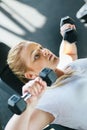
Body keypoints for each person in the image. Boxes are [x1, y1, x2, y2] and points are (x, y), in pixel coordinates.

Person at [5, 21, 86, 130]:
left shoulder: (65, 65)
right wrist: (29, 105)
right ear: (30, 75)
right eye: (37, 56)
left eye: (41, 47)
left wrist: (66, 32)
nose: (45, 51)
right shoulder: (49, 101)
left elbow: (68, 52)